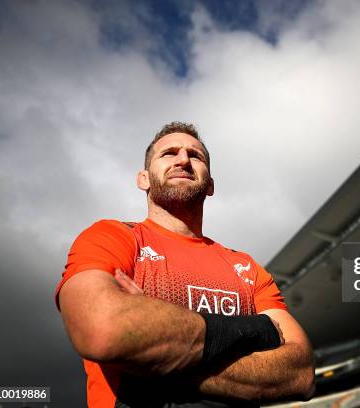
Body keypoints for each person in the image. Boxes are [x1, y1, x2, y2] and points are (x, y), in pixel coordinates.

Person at [55, 122, 315, 407]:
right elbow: (101, 329)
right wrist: (254, 330)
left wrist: (154, 352)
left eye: (195, 156)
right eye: (169, 154)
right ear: (143, 178)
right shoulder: (113, 237)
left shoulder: (246, 267)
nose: (183, 160)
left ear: (211, 184)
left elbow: (299, 373)